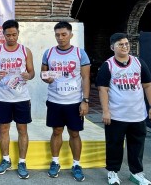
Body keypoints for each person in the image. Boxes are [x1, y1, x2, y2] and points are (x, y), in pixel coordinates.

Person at [96, 33, 151, 185]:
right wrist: (105, 111)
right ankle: (112, 172)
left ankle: (136, 173)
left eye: (126, 44)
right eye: (120, 44)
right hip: (116, 115)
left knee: (137, 145)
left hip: (137, 114)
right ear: (112, 48)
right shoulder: (108, 66)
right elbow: (102, 89)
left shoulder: (138, 63)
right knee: (114, 145)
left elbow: (148, 85)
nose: (125, 46)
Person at [41, 21, 90, 182]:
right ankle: (55, 162)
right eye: (57, 35)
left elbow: (85, 77)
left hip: (74, 101)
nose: (60, 38)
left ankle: (76, 164)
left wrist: (85, 100)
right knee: (56, 131)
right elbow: (44, 74)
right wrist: (47, 78)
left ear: (71, 35)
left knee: (74, 133)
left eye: (64, 34)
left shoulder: (79, 53)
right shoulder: (48, 53)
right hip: (55, 100)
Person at [0, 19, 35, 179]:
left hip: (21, 96)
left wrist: (27, 75)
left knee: (22, 129)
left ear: (18, 33)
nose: (11, 37)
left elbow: (32, 72)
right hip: (3, 97)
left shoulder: (25, 51)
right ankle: (6, 159)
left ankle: (22, 161)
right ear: (3, 34)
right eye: (8, 35)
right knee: (4, 129)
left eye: (14, 34)